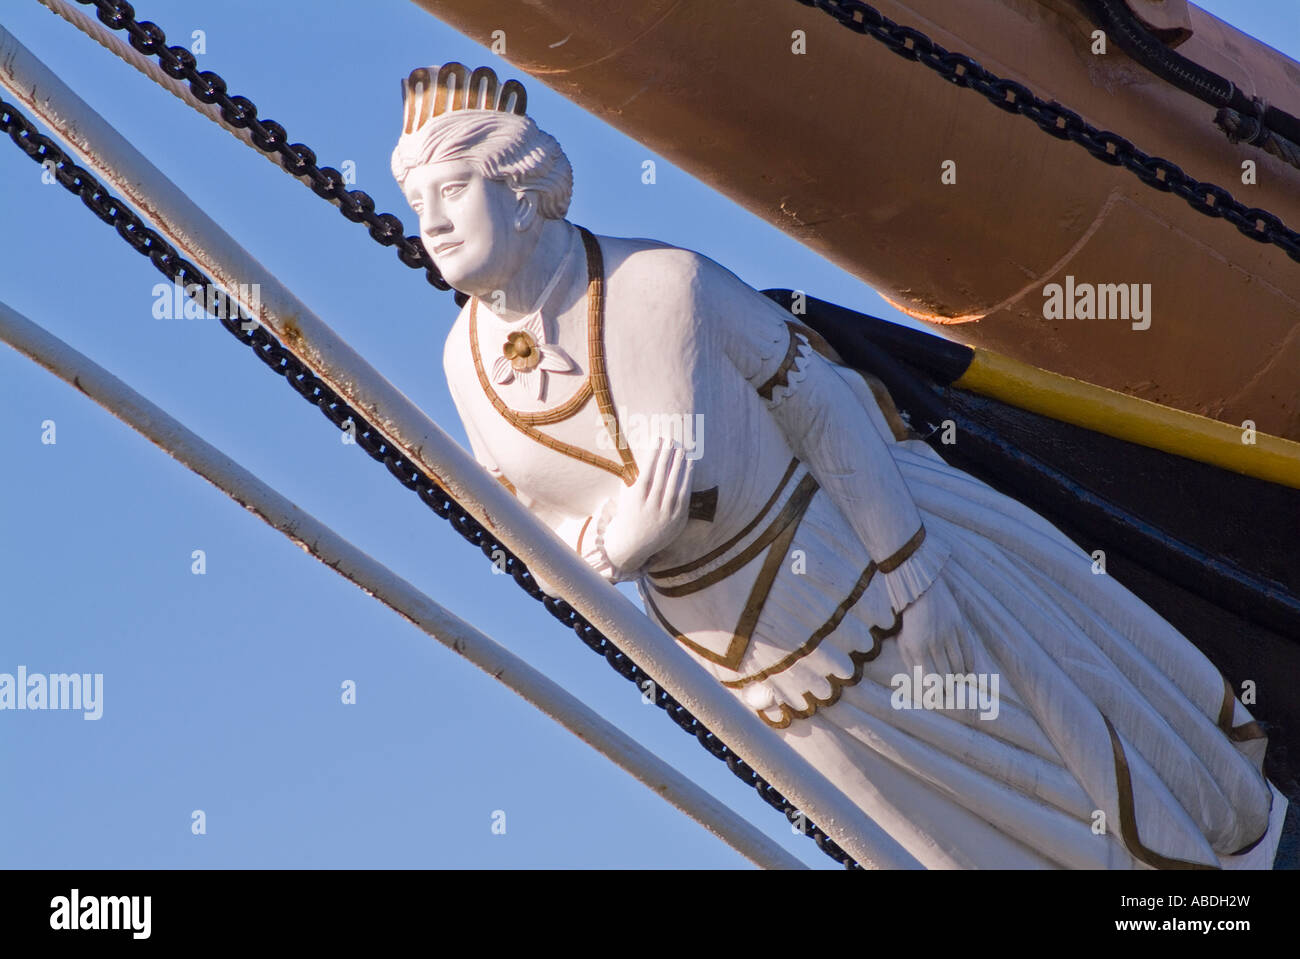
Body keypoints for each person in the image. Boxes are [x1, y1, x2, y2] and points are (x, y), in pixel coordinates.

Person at [393, 62, 1290, 868]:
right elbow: (526, 538)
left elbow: (819, 401)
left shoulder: (667, 285)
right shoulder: (464, 372)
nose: (428, 222)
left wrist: (914, 573)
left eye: (449, 190)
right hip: (759, 677)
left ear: (522, 190)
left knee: (1091, 785)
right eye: (414, 200)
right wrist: (614, 544)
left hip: (871, 568)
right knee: (955, 850)